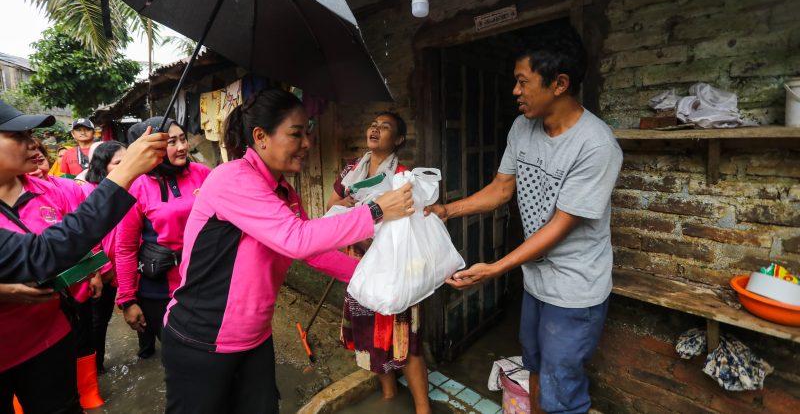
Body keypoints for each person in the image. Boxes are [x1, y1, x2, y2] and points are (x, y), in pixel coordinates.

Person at [161, 89, 414, 414]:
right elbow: (296, 239)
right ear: (260, 137)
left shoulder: (283, 191)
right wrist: (375, 211)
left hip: (254, 339)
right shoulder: (232, 178)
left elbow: (313, 252)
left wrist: (381, 274)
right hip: (201, 338)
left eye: (307, 132)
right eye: (296, 134)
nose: (307, 143)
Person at [426, 27, 623, 414]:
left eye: (523, 81)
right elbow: (501, 189)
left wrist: (495, 268)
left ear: (559, 83)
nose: (515, 91)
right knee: (534, 368)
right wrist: (446, 211)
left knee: (560, 392)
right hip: (536, 282)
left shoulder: (596, 146)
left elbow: (559, 226)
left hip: (574, 291)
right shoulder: (523, 127)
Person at [0, 99, 168, 414]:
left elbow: (88, 226)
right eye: (17, 135)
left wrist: (95, 271)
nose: (33, 143)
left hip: (50, 335)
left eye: (30, 134)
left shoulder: (54, 189)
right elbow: (44, 252)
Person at [330, 112, 431, 413]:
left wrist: (369, 225)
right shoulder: (352, 172)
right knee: (368, 335)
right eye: (373, 124)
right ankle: (388, 396)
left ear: (398, 140)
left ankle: (423, 408)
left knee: (405, 338)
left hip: (393, 267)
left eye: (385, 127)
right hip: (360, 268)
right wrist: (345, 206)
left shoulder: (402, 176)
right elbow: (331, 207)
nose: (375, 129)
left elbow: (414, 225)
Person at [115, 117, 211, 360]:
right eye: (171, 142)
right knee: (177, 355)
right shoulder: (136, 185)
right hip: (160, 290)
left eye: (183, 139)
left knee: (208, 349)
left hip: (205, 279)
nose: (181, 147)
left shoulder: (203, 174)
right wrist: (127, 300)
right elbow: (125, 247)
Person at [27, 138, 106, 408]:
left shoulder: (70, 187)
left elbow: (87, 232)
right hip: (34, 293)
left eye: (40, 159)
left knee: (83, 334)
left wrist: (95, 272)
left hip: (76, 282)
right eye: (30, 162)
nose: (36, 168)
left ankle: (88, 390)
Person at [80, 141, 128, 374]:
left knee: (106, 317)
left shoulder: (127, 187)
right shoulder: (87, 192)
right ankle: (94, 369)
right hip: (100, 271)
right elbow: (86, 237)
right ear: (102, 166)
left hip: (121, 265)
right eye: (118, 163)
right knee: (96, 321)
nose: (126, 166)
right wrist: (98, 271)